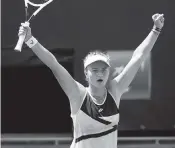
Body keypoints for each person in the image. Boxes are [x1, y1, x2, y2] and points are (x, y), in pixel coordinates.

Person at [18, 13, 164, 148]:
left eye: (103, 69)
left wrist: (156, 29)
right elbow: (54, 65)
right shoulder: (78, 94)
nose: (100, 73)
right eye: (94, 70)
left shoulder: (115, 90)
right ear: (86, 74)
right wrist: (31, 40)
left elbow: (138, 58)